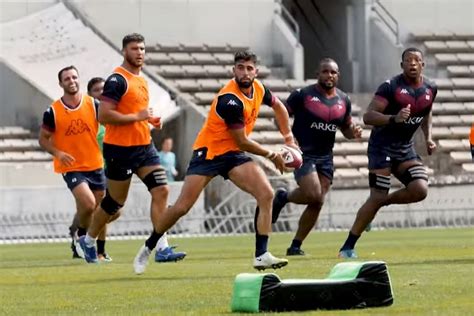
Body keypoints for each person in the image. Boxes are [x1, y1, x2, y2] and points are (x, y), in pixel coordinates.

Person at [133, 50, 298, 274]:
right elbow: (242, 141)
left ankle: (261, 255)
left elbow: (279, 106)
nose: (245, 72)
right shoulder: (229, 100)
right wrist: (272, 154)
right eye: (240, 67)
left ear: (256, 72)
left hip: (232, 154)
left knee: (266, 194)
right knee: (182, 207)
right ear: (234, 70)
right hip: (208, 153)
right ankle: (148, 246)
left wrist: (288, 138)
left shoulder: (259, 88)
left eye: (250, 68)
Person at [79, 33, 186, 264]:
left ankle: (162, 247)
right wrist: (137, 116)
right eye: (134, 48)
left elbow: (137, 113)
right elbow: (104, 115)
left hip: (144, 148)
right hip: (119, 150)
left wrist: (149, 121)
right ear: (124, 51)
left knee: (162, 191)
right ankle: (88, 241)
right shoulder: (117, 80)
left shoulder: (142, 80)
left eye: (142, 48)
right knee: (113, 203)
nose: (139, 52)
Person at [338, 47, 437, 258]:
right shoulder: (390, 87)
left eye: (416, 60)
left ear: (422, 64)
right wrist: (393, 118)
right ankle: (347, 247)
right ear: (402, 65)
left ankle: (379, 204)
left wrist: (428, 137)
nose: (412, 63)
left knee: (420, 189)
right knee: (377, 195)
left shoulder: (431, 88)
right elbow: (368, 116)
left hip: (405, 148)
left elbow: (426, 112)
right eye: (408, 60)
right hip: (381, 148)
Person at [270, 58, 363, 256]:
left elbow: (345, 129)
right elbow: (279, 116)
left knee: (317, 201)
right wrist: (290, 139)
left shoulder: (343, 100)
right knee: (314, 194)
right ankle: (283, 198)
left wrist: (353, 132)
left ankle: (295, 245)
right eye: (325, 71)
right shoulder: (303, 95)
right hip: (303, 154)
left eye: (333, 72)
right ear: (318, 73)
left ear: (338, 76)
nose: (329, 75)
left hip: (326, 157)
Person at [39, 66, 106, 262]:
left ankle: (84, 240)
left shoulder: (93, 104)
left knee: (96, 208)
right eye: (67, 78)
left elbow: (111, 124)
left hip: (95, 163)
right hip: (71, 166)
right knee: (88, 203)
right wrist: (58, 152)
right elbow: (43, 139)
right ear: (61, 84)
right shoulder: (53, 111)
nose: (72, 81)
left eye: (74, 77)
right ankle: (84, 239)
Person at [69, 77, 114, 262]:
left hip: (109, 170)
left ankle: (80, 233)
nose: (102, 93)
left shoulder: (111, 116)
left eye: (104, 89)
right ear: (90, 95)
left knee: (110, 211)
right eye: (97, 90)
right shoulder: (87, 118)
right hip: (88, 170)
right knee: (97, 209)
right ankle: (98, 250)